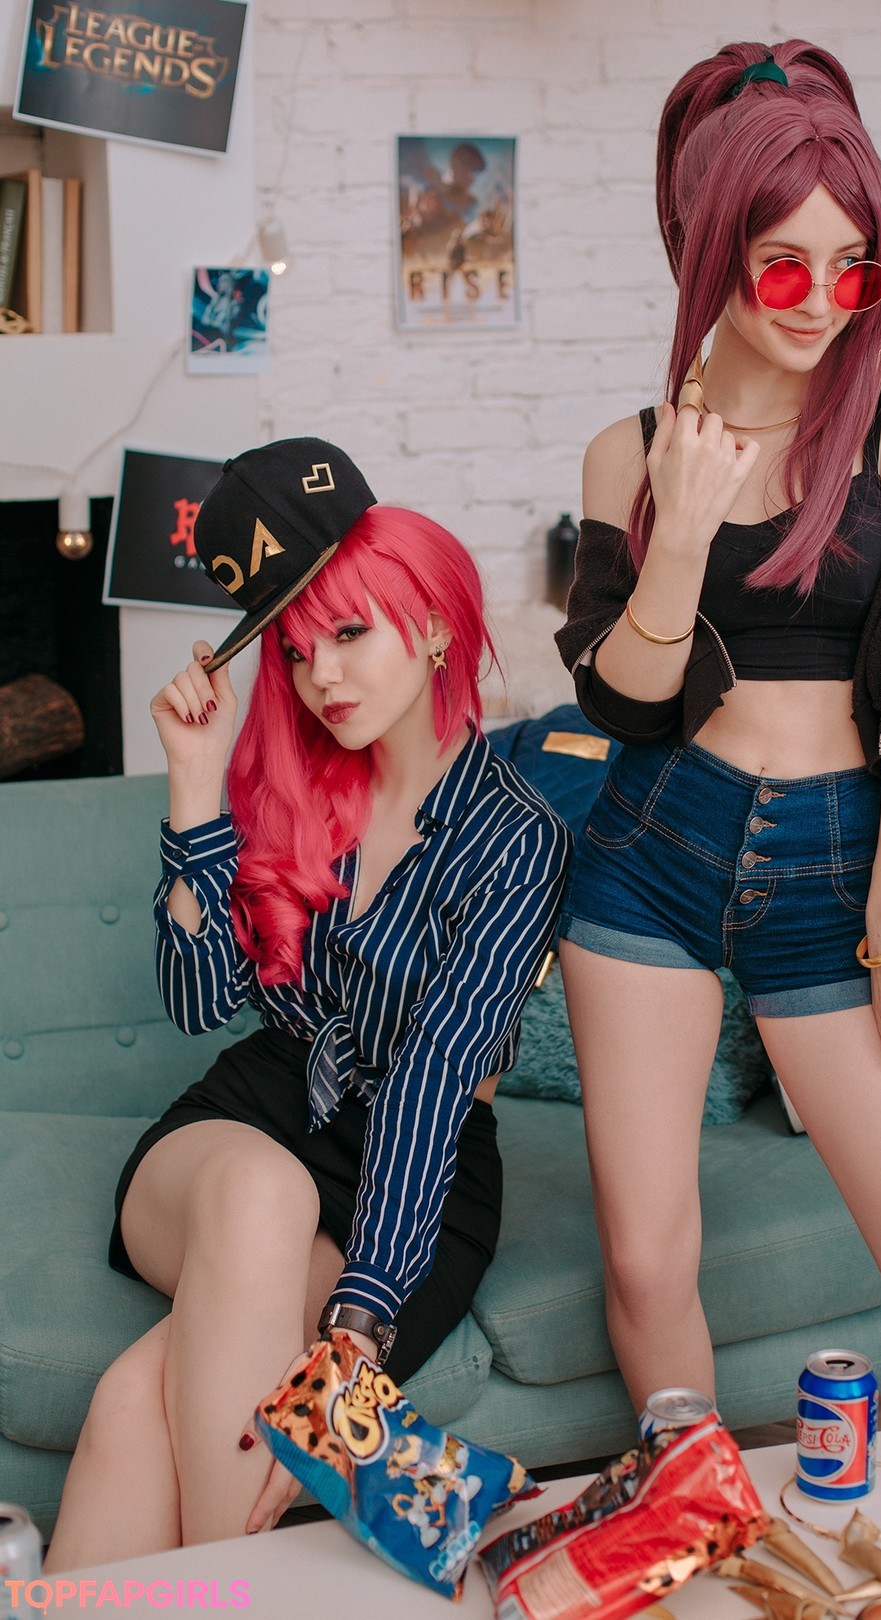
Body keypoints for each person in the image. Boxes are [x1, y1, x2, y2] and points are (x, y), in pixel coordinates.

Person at [554, 40, 881, 1540]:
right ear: (707, 247)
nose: (823, 302)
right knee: (647, 1260)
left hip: (835, 871)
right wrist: (676, 532)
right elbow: (620, 703)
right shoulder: (628, 453)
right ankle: (702, 1554)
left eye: (857, 268)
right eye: (783, 266)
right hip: (651, 850)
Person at [45, 438, 570, 1568]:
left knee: (138, 1398)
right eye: (293, 649)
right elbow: (199, 1003)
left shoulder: (516, 838)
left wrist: (359, 1327)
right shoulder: (288, 787)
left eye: (348, 633)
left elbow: (435, 1080)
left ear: (433, 626)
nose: (320, 675)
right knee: (260, 1186)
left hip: (416, 1171)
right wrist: (195, 783)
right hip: (249, 1122)